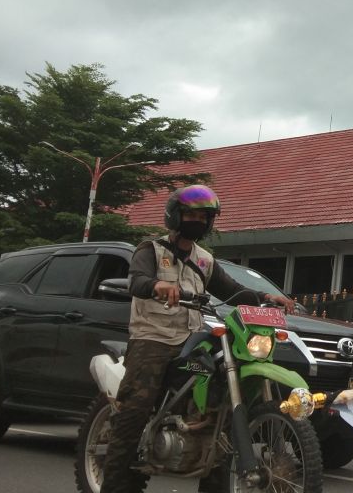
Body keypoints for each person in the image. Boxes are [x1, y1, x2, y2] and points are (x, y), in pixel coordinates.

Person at [103, 185, 296, 493]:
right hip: (153, 337)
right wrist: (157, 286)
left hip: (191, 337)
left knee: (218, 398)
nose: (197, 220)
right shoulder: (150, 249)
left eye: (204, 216)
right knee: (136, 407)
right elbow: (136, 281)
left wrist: (266, 296)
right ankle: (113, 484)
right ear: (175, 216)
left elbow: (231, 289)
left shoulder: (204, 259)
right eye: (191, 214)